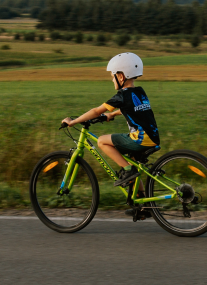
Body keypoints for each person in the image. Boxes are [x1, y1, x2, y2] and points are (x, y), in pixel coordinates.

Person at [61, 51, 160, 188]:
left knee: (102, 141)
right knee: (132, 163)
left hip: (140, 139)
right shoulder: (139, 91)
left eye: (113, 76)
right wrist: (112, 114)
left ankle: (127, 170)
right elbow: (132, 108)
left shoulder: (122, 96)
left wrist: (73, 121)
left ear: (120, 76)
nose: (112, 79)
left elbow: (96, 111)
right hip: (153, 137)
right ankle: (142, 206)